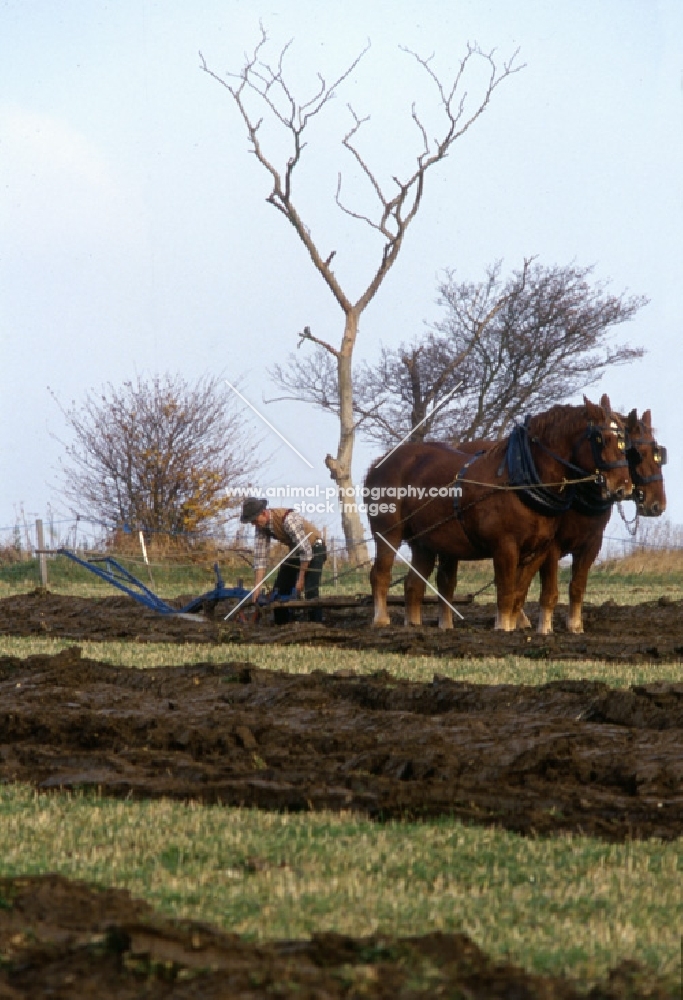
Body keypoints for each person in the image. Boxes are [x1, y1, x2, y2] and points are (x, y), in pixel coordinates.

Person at [240, 498, 327, 624]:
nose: (254, 524)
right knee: (279, 589)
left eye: (254, 520)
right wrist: (257, 588)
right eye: (251, 522)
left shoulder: (288, 520)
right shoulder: (261, 527)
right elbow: (260, 559)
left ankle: (316, 625)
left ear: (263, 513)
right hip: (297, 551)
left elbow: (306, 551)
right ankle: (282, 624)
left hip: (314, 547)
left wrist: (300, 579)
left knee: (310, 590)